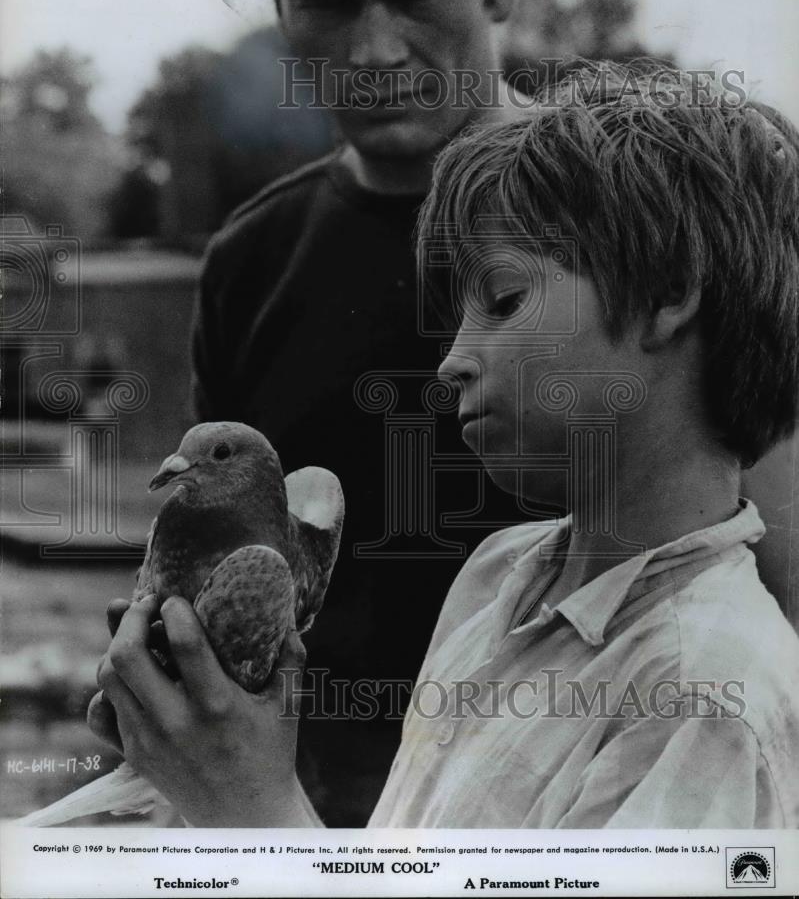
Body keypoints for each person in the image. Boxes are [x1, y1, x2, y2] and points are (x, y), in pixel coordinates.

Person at [93, 62, 799, 827]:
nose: (450, 360)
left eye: (503, 299)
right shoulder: (496, 575)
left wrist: (246, 803)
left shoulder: (701, 700)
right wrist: (191, 755)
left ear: (667, 292)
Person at [188, 0, 531, 821]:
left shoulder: (649, 224)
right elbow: (216, 560)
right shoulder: (247, 261)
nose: (374, 52)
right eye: (328, 4)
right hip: (303, 817)